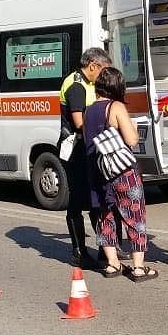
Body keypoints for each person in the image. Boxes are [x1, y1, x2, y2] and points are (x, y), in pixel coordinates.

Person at [83, 67, 157, 281]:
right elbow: (132, 140)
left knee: (105, 216)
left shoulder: (89, 110)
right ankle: (138, 267)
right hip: (122, 172)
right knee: (134, 216)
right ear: (118, 87)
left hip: (98, 171)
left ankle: (112, 264)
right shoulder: (115, 107)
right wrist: (133, 127)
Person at [60, 48, 112, 268]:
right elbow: (80, 122)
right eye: (103, 70)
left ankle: (104, 249)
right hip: (77, 150)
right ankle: (79, 252)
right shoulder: (76, 86)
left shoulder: (89, 84)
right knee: (78, 200)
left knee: (96, 199)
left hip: (89, 147)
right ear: (93, 65)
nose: (104, 76)